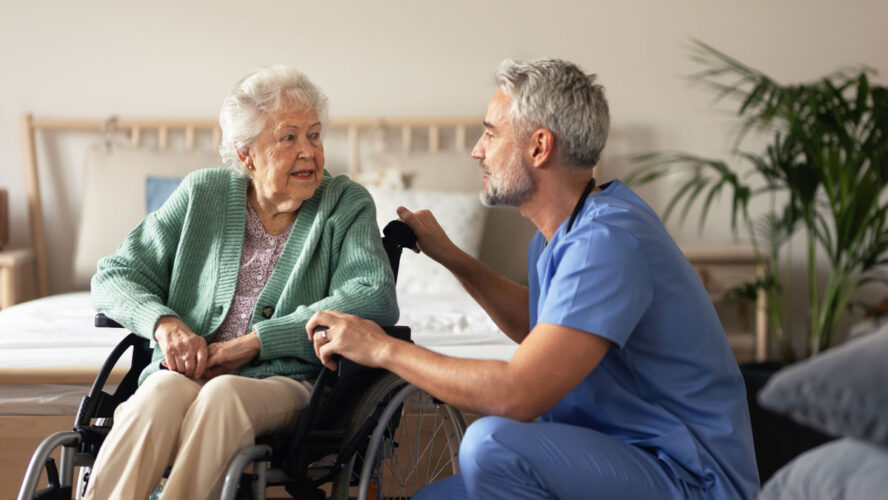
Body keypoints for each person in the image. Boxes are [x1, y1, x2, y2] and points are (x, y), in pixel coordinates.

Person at [306, 58, 760, 499]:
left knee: (492, 444)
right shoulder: (559, 233)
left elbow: (517, 395)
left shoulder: (607, 240)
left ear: (539, 147)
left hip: (687, 476)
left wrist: (382, 348)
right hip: (622, 456)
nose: (476, 150)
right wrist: (452, 258)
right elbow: (544, 329)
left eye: (489, 133)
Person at [86, 65, 398, 499]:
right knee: (156, 395)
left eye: (314, 134)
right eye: (289, 138)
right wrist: (166, 325)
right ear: (247, 154)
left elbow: (373, 295)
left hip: (289, 383)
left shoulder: (345, 204)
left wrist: (257, 342)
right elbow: (115, 274)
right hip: (188, 370)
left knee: (224, 396)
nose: (308, 152)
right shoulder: (203, 194)